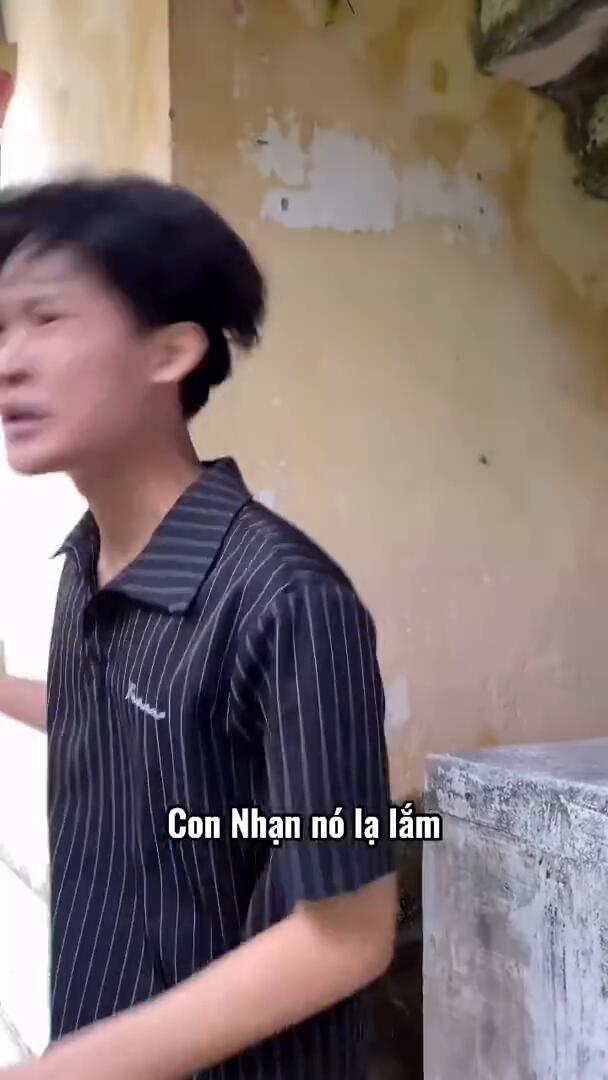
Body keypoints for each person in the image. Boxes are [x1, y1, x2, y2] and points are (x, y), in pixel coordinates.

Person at [0, 176, 398, 1080]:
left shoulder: (286, 599)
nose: (9, 361)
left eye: (47, 318)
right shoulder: (88, 562)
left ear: (171, 351)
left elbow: (347, 935)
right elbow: (134, 724)